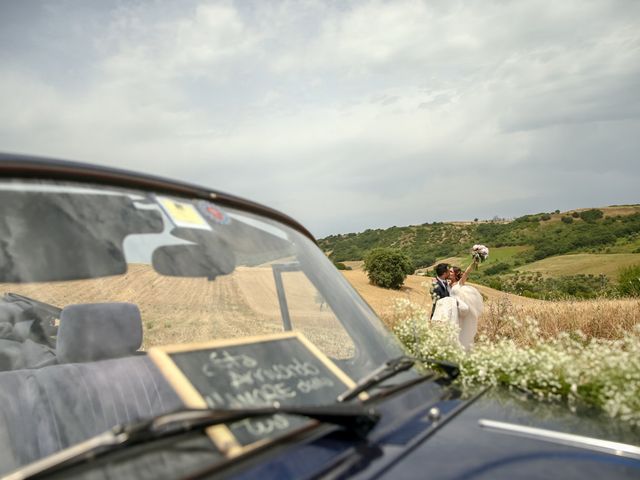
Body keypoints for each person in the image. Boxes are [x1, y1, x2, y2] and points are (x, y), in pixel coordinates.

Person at [449, 262, 484, 350]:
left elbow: (467, 272)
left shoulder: (459, 283)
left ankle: (464, 348)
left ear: (455, 274)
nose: (449, 273)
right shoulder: (447, 284)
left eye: (451, 272)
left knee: (462, 329)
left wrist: (474, 262)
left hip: (461, 311)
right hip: (453, 311)